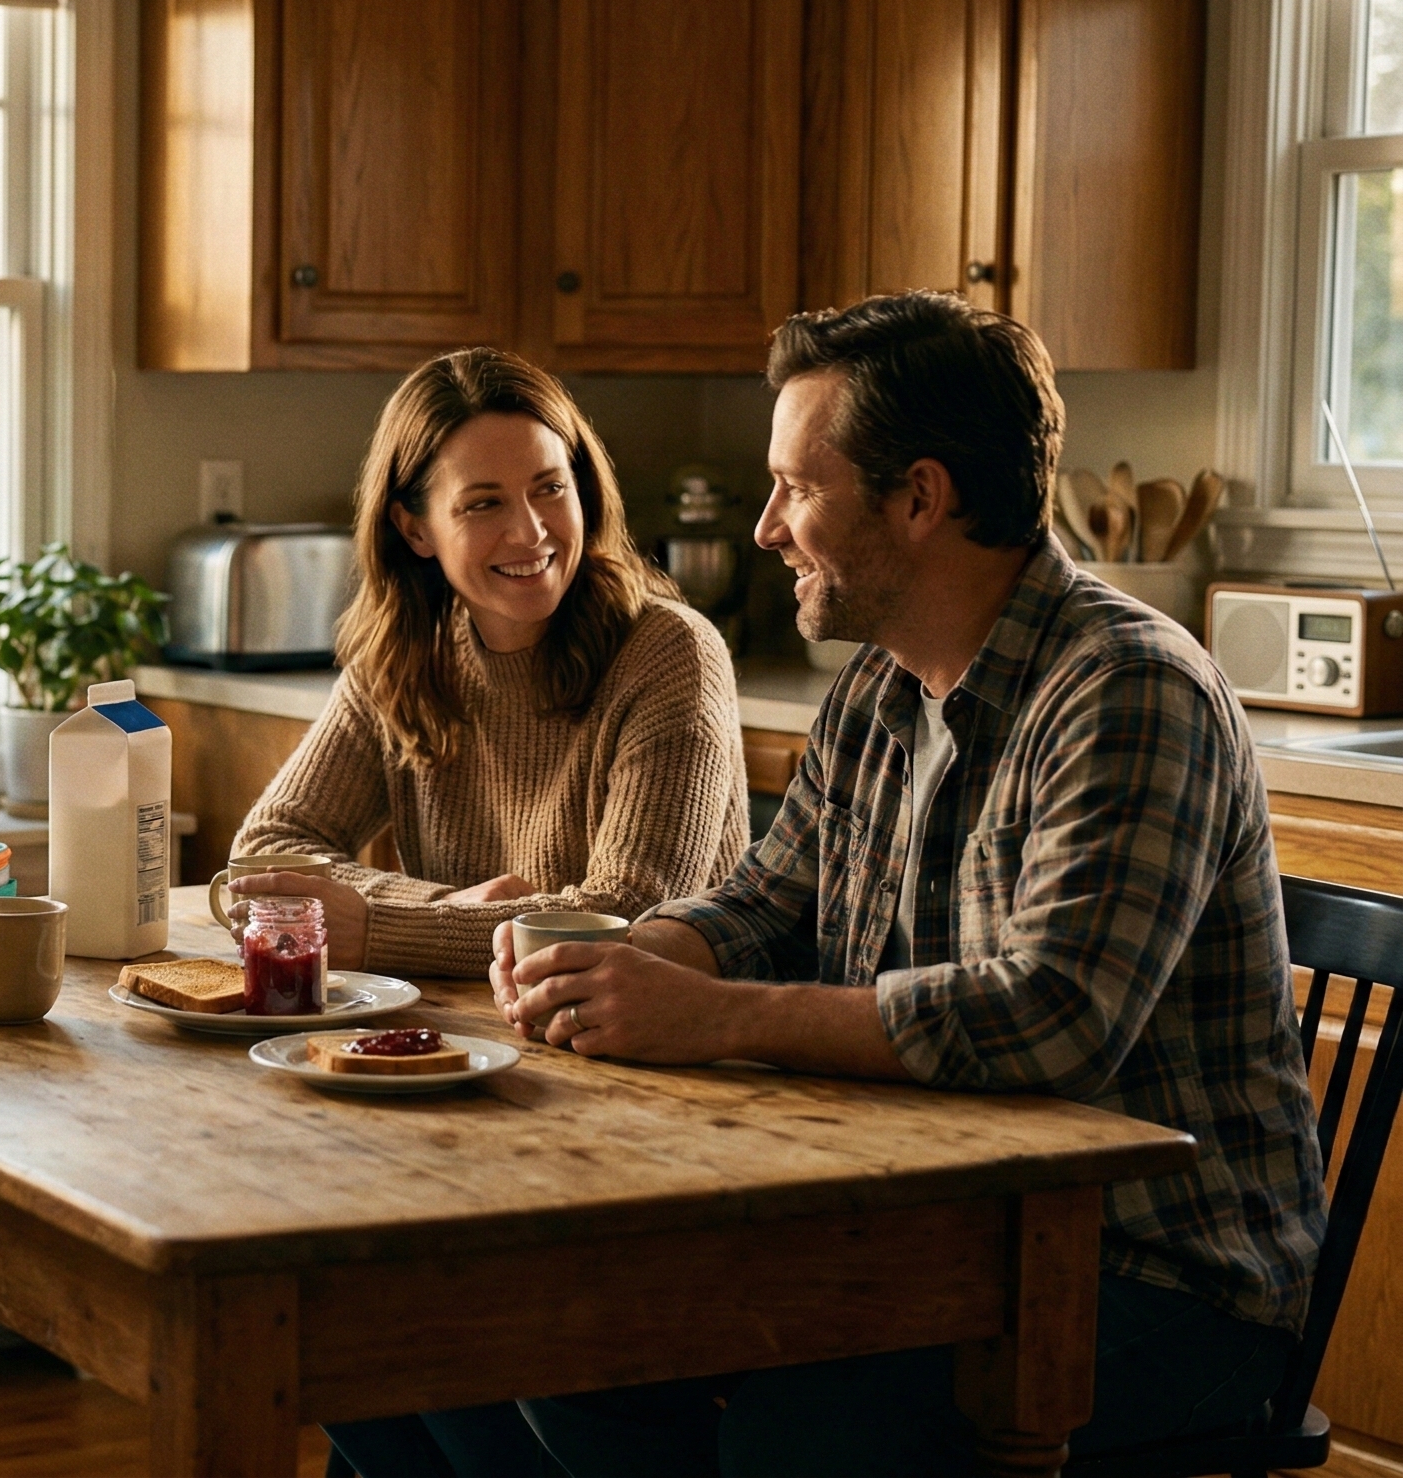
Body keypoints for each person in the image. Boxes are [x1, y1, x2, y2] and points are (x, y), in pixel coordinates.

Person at [493, 292, 1325, 1475]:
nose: (769, 526)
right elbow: (766, 906)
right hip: (930, 1228)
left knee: (801, 1433)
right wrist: (626, 961)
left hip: (1157, 1275)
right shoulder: (880, 689)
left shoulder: (1128, 690)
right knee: (529, 1345)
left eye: (797, 486)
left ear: (919, 498)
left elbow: (1055, 1019)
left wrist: (714, 1016)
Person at [230, 346, 748, 981]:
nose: (530, 532)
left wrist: (380, 928)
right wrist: (444, 905)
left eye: (549, 489)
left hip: (664, 1057)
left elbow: (630, 917)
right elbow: (266, 853)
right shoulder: (401, 659)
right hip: (475, 1024)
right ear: (416, 530)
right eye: (484, 504)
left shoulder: (671, 653)